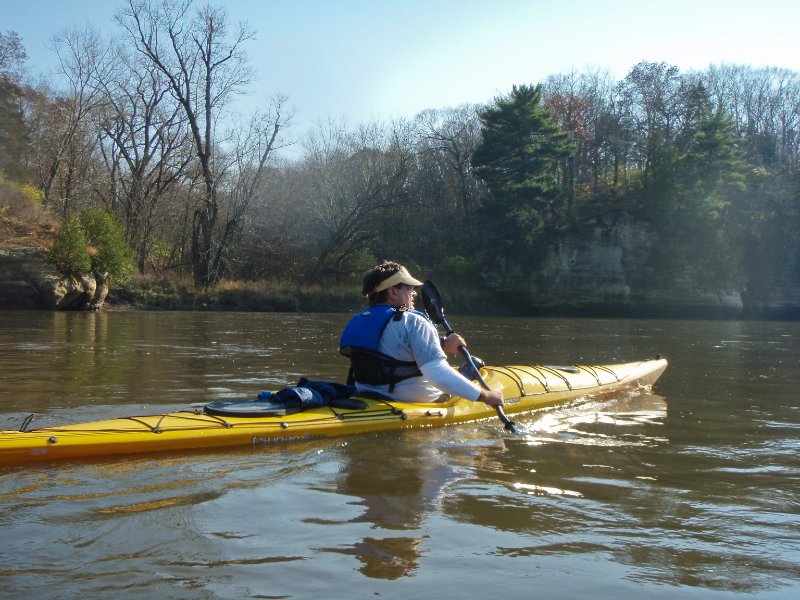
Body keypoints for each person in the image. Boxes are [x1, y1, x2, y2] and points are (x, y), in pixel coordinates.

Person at [339, 260, 504, 406]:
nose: (414, 293)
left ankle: (464, 372)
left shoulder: (358, 319)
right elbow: (438, 374)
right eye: (409, 288)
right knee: (470, 364)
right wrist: (485, 395)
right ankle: (466, 373)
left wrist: (441, 343)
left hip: (366, 394)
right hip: (411, 399)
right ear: (393, 292)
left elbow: (390, 347)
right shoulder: (413, 321)